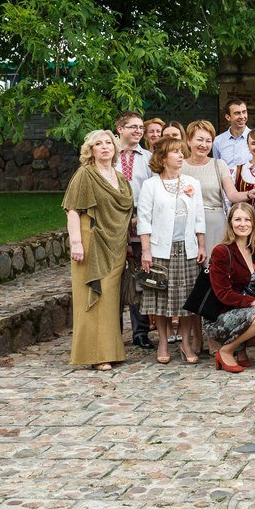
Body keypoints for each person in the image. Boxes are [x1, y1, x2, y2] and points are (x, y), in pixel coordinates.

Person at [64, 129, 132, 370]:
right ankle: (94, 354)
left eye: (108, 143)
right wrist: (76, 243)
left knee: (111, 300)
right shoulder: (85, 175)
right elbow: (73, 210)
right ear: (90, 150)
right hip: (90, 240)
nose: (105, 147)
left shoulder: (119, 177)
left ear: (115, 149)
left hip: (115, 245)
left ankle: (111, 350)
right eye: (98, 144)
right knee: (92, 298)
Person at [137, 136, 206, 365]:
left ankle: (186, 344)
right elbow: (144, 220)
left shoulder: (191, 183)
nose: (180, 156)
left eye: (181, 151)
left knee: (186, 300)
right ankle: (163, 342)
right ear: (163, 157)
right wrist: (146, 251)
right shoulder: (151, 185)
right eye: (175, 152)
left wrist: (202, 245)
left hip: (187, 249)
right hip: (160, 251)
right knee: (161, 299)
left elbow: (199, 217)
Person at [205, 202, 255, 372]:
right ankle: (226, 351)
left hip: (248, 312)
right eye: (237, 220)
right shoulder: (222, 251)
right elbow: (223, 295)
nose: (243, 224)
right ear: (230, 223)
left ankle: (239, 346)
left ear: (253, 224)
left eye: (247, 220)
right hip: (221, 314)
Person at [184, 119, 255, 250]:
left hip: (214, 225)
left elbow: (232, 195)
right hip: (185, 225)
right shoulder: (179, 166)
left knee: (213, 266)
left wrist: (249, 194)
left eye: (208, 141)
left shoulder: (219, 165)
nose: (204, 144)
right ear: (189, 140)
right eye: (200, 140)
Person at [114, 111, 152, 350]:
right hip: (114, 223)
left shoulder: (148, 158)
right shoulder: (109, 155)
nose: (138, 131)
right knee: (114, 280)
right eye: (132, 127)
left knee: (141, 278)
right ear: (120, 129)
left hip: (140, 222)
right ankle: (113, 332)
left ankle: (140, 332)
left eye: (140, 127)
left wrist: (142, 219)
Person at [212, 98, 251, 168]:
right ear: (227, 117)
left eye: (244, 112)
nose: (242, 117)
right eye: (237, 113)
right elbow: (217, 169)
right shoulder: (217, 141)